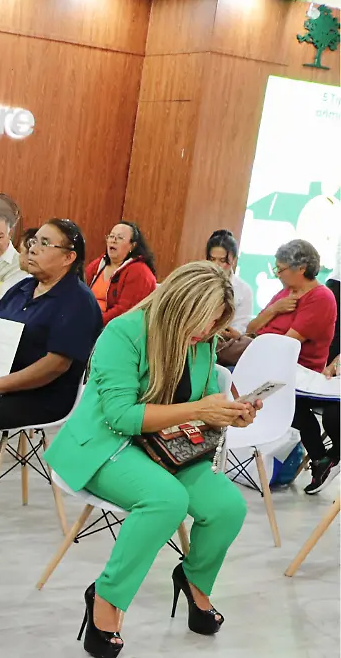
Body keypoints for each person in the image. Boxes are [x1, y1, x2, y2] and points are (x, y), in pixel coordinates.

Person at [45, 261, 256, 658]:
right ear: (178, 305)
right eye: (204, 321)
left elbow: (202, 402)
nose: (208, 332)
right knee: (166, 500)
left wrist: (230, 414)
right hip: (105, 443)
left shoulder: (204, 339)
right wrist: (200, 410)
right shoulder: (124, 332)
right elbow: (121, 416)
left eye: (216, 324)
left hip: (169, 447)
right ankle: (106, 596)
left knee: (228, 506)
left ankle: (194, 581)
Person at [0, 219, 103, 431]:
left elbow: (55, 366)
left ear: (68, 257)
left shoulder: (78, 301)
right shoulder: (22, 287)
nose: (33, 249)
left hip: (40, 397)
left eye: (44, 243)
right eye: (34, 241)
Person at [248, 240, 338, 494]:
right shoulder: (284, 294)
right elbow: (251, 328)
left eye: (281, 268)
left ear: (301, 268)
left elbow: (286, 343)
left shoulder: (321, 297)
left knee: (280, 399)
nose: (278, 274)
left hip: (299, 372)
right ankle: (320, 460)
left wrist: (259, 337)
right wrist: (273, 310)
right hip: (271, 365)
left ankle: (322, 459)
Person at [87, 221, 157, 323]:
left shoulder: (140, 272)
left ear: (132, 246)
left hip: (111, 327)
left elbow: (124, 311)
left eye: (120, 238)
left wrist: (91, 323)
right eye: (111, 236)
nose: (113, 241)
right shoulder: (98, 264)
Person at [205, 229, 254, 336]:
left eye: (222, 260)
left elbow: (240, 328)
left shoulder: (244, 290)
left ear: (234, 260)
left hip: (224, 339)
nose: (216, 265)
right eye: (212, 259)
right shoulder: (198, 281)